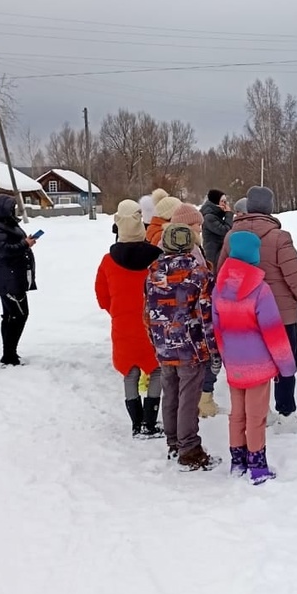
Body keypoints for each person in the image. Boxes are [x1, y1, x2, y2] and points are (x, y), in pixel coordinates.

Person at [217, 186, 297, 433]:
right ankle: (286, 413)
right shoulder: (279, 237)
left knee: (256, 360)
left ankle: (263, 411)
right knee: (286, 360)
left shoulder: (231, 236)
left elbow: (222, 275)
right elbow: (295, 276)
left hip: (243, 313)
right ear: (269, 208)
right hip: (280, 312)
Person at [212, 231, 297, 484]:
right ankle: (257, 466)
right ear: (254, 255)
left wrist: (227, 357)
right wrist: (286, 366)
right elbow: (274, 333)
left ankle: (237, 461)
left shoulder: (219, 288)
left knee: (236, 414)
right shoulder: (260, 290)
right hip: (259, 366)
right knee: (256, 416)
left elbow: (217, 329)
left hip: (235, 364)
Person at [144, 223, 222, 470]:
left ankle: (174, 443)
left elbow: (147, 311)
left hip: (164, 345)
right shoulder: (200, 274)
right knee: (189, 396)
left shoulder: (154, 272)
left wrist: (155, 339)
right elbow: (206, 315)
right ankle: (189, 448)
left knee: (171, 393)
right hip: (191, 347)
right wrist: (214, 351)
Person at [95, 200, 163, 437]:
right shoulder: (156, 258)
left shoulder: (108, 261)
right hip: (153, 324)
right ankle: (150, 421)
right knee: (156, 370)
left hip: (123, 325)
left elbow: (102, 296)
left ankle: (136, 423)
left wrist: (118, 312)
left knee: (130, 371)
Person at [170, 202, 223, 416]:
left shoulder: (195, 247)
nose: (200, 229)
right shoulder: (188, 252)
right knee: (209, 362)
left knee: (208, 362)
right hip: (194, 319)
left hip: (197, 317)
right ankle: (202, 402)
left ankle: (203, 400)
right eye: (196, 225)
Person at [0, 193, 38, 367]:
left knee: (12, 315)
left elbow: (11, 242)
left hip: (13, 276)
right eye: (10, 207)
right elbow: (3, 251)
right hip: (8, 278)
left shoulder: (4, 223)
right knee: (17, 315)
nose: (13, 210)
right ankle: (8, 356)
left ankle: (9, 354)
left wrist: (24, 241)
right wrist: (25, 244)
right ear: (0, 209)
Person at [200, 189, 234, 266]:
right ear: (215, 202)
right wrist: (229, 214)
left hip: (218, 251)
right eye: (222, 201)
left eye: (225, 202)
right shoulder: (209, 217)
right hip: (213, 254)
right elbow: (226, 230)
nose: (225, 204)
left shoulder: (216, 216)